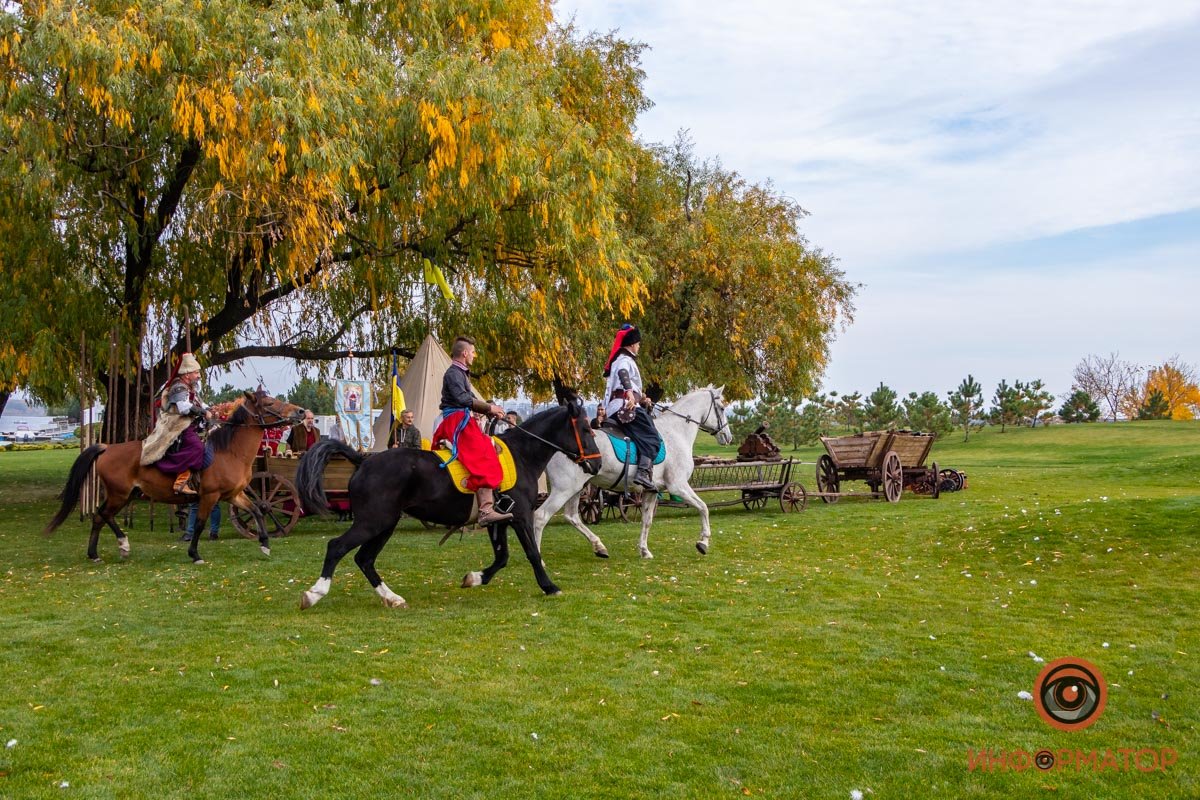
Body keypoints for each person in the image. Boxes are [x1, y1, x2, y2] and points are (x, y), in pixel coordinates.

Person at [431, 336, 513, 525]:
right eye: (473, 352)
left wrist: (490, 410)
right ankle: (485, 510)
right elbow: (462, 399)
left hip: (462, 418)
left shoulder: (461, 373)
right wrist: (489, 408)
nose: (475, 356)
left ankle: (494, 500)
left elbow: (472, 400)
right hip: (456, 421)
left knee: (488, 446)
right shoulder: (453, 373)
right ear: (465, 353)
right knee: (483, 454)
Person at [140, 352, 210, 496]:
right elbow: (184, 408)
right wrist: (203, 413)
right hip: (174, 424)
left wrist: (210, 409)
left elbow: (200, 403)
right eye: (195, 372)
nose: (198, 375)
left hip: (186, 423)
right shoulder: (178, 387)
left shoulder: (190, 388)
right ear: (186, 374)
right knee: (196, 447)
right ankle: (180, 482)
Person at [602, 324, 661, 490]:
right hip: (625, 407)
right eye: (638, 343)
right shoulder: (624, 361)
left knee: (642, 434)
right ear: (633, 343)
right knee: (652, 436)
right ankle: (643, 472)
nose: (639, 346)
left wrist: (642, 398)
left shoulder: (619, 360)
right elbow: (623, 374)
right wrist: (629, 392)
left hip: (618, 406)